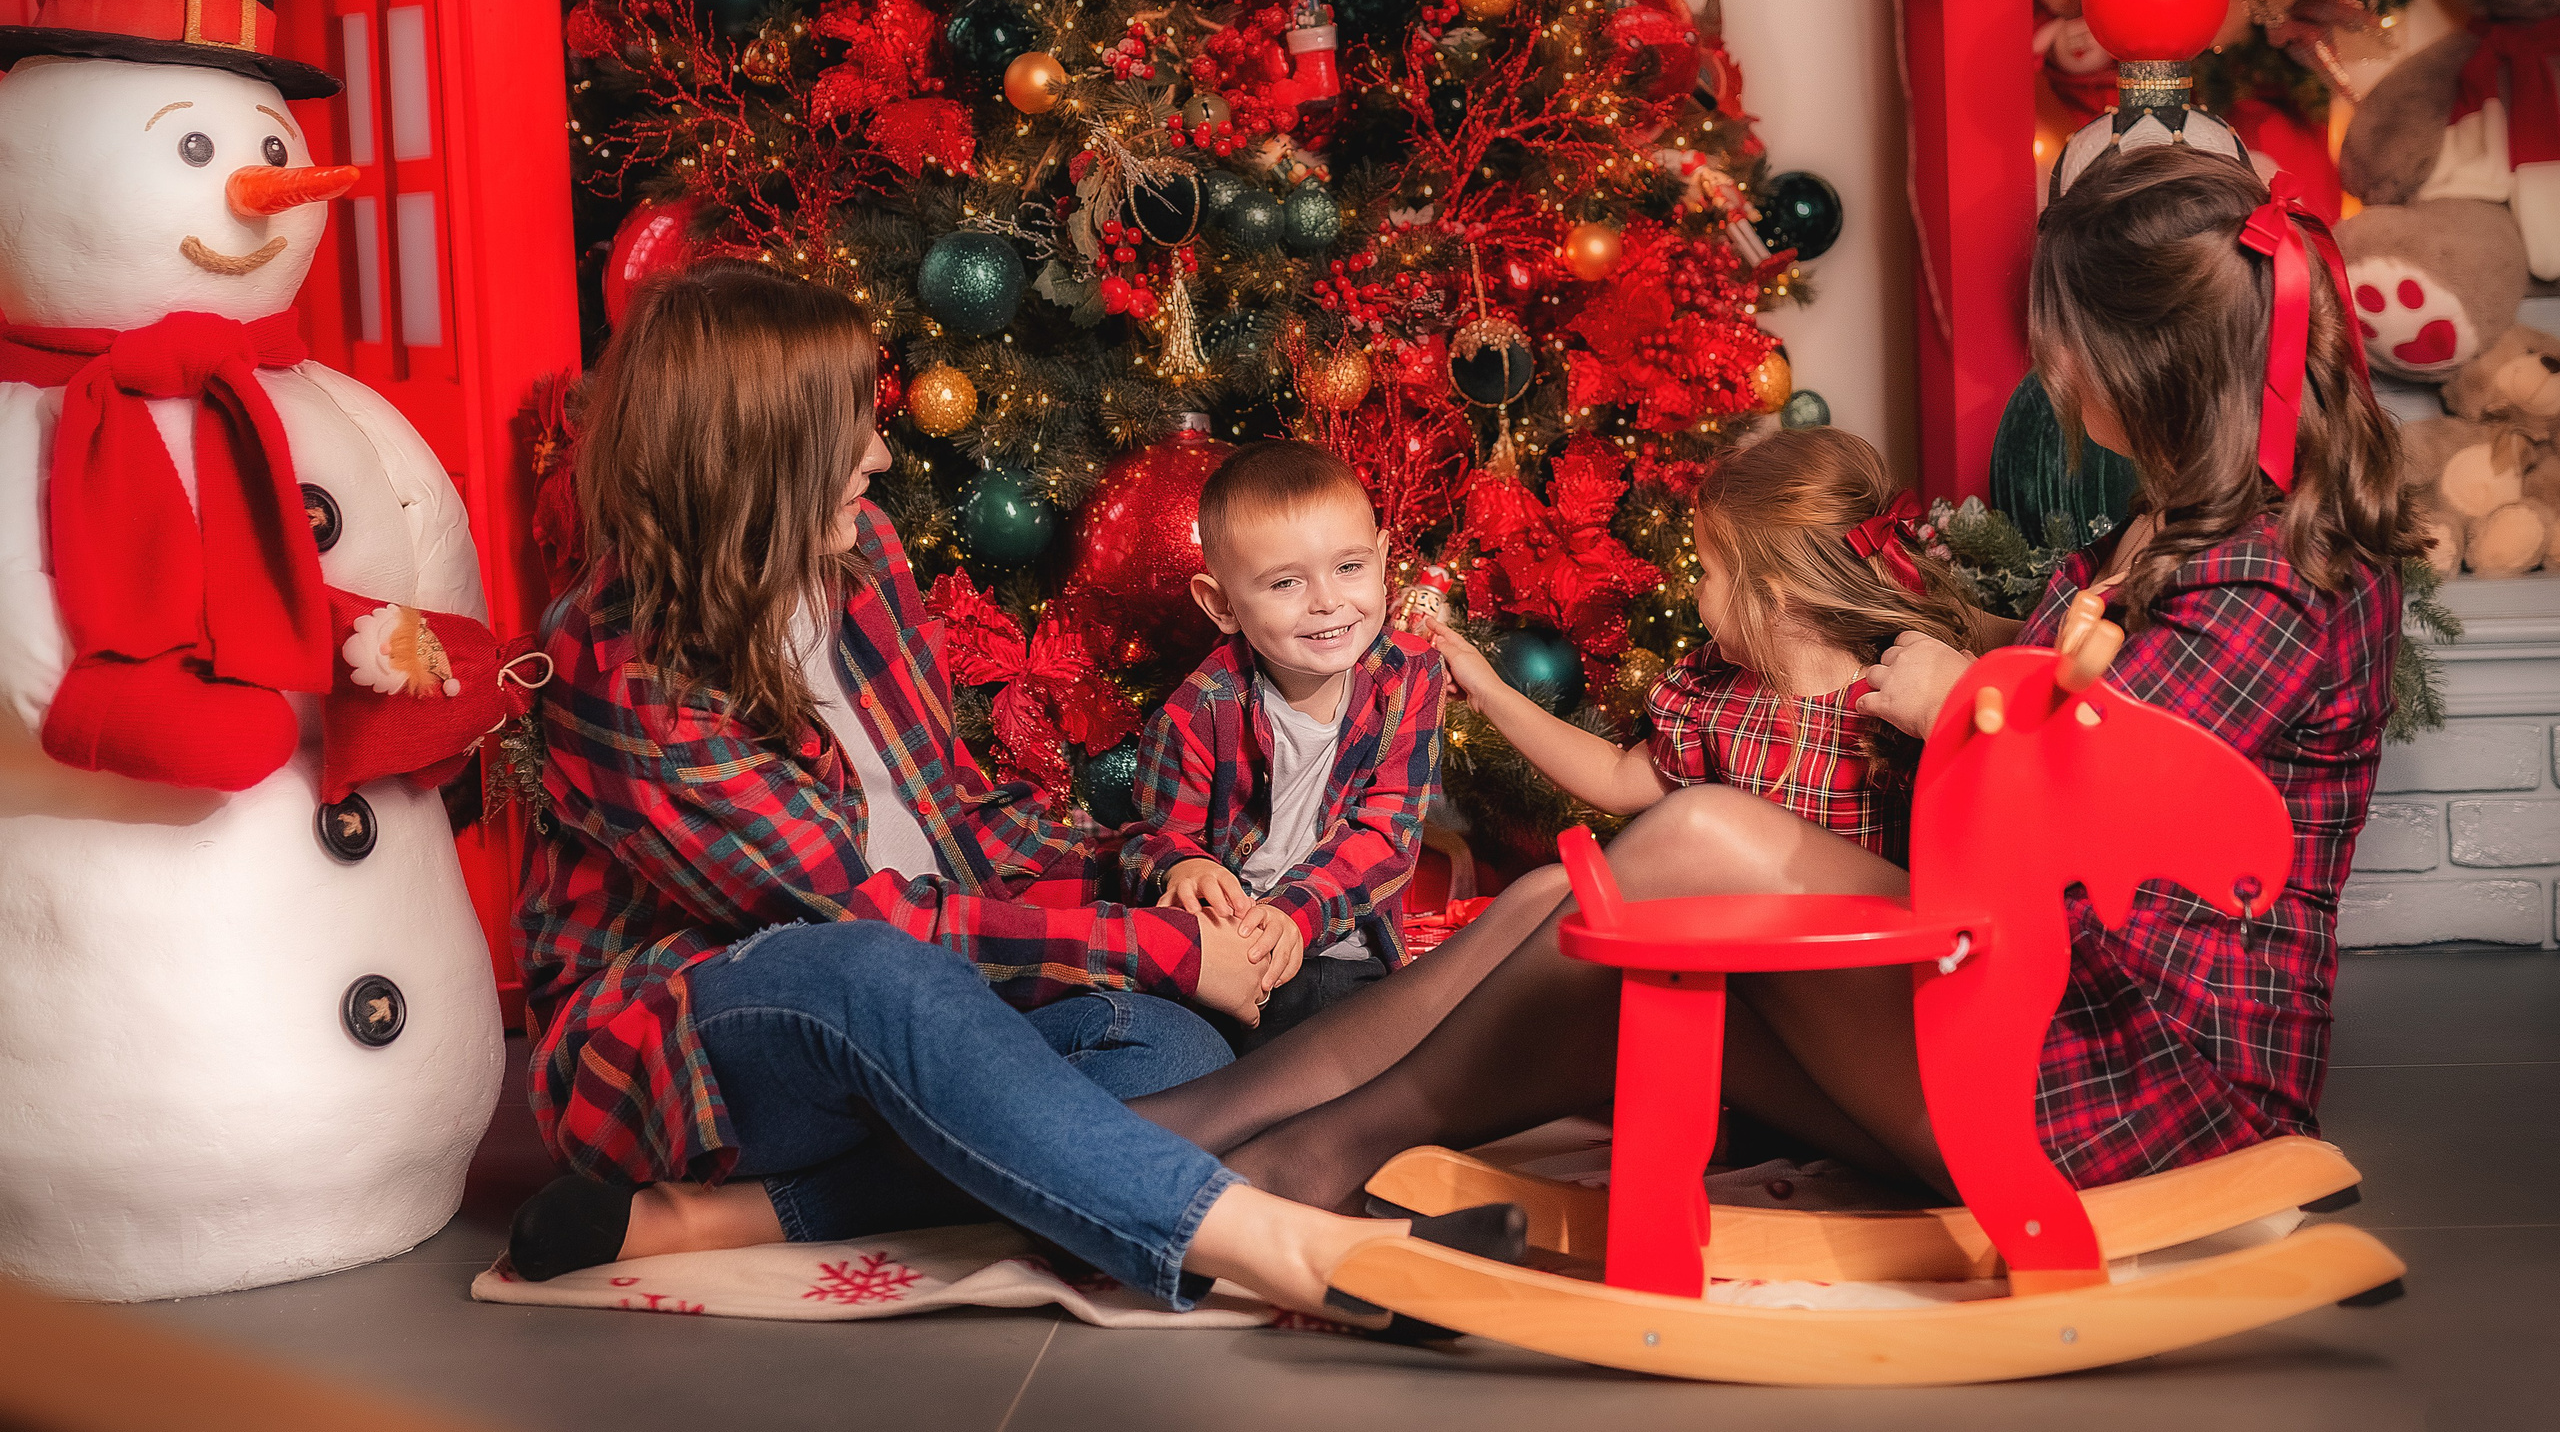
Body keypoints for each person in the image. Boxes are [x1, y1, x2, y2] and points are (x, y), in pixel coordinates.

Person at [1129, 146, 2416, 1213]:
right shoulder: (2163, 535)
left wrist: (1957, 704)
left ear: (2150, 362)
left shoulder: (2277, 573)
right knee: (1554, 919)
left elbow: (2096, 813)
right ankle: (1205, 1126)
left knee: (1695, 833)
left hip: (2129, 1087)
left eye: (2062, 342)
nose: (2051, 371)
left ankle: (1303, 1157)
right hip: (2027, 1004)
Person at [505, 262, 1521, 1318]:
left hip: (928, 1005)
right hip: (701, 1045)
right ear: (760, 454)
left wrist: (1156, 866)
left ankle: (749, 1216)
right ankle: (1296, 1249)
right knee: (871, 966)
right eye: (851, 429)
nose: (881, 453)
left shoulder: (859, 562)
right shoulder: (628, 662)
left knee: (1171, 1045)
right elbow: (860, 915)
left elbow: (955, 813)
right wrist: (1158, 944)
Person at [1423, 426, 1976, 866]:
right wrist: (1488, 691)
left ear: (1772, 597)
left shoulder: (1902, 696)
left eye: (1706, 572)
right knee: (1544, 894)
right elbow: (1615, 778)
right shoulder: (1718, 698)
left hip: (1849, 976)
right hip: (1741, 972)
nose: (1693, 589)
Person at [1123, 441, 1446, 1050]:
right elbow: (1156, 839)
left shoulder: (1410, 676)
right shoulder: (1198, 713)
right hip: (1237, 957)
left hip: (1347, 945)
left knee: (1388, 1027)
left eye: (1349, 567)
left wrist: (1293, 914)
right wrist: (1182, 866)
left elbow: (1389, 835)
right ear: (1222, 605)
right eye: (1286, 582)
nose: (1327, 601)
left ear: (1382, 560)